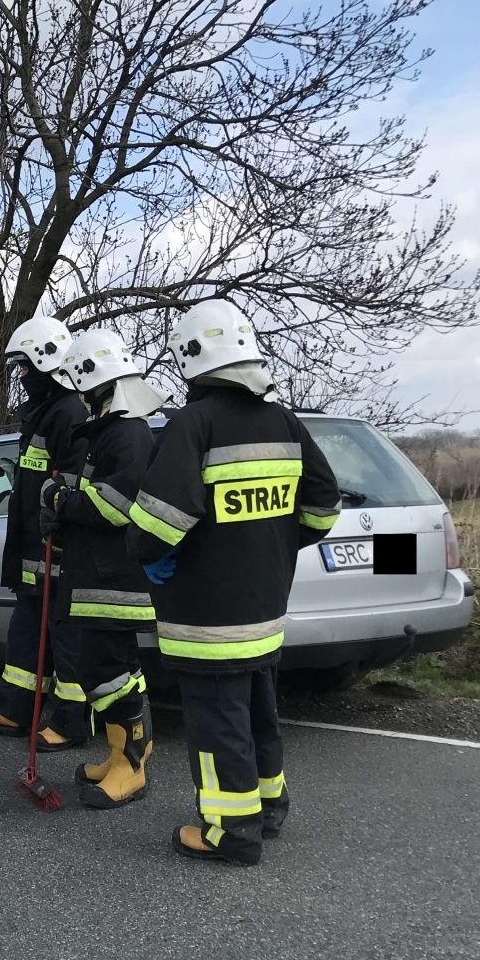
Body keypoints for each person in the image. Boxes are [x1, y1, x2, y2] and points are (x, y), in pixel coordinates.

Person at [125, 301, 341, 865]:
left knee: (218, 721)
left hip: (206, 614)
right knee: (257, 711)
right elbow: (323, 506)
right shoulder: (284, 421)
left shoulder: (195, 424)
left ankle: (231, 832)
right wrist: (270, 546)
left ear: (191, 359)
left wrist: (146, 556)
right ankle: (268, 809)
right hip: (264, 608)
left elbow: (156, 520)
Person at [42, 328, 166, 809]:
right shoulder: (115, 431)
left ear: (98, 383)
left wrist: (61, 499)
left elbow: (117, 504)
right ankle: (125, 752)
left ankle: (129, 765)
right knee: (117, 669)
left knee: (105, 670)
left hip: (114, 581)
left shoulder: (128, 434)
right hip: (100, 575)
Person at [0, 316, 91, 750]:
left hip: (56, 549)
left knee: (65, 637)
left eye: (26, 368)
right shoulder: (42, 414)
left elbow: (72, 483)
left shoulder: (70, 413)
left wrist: (57, 529)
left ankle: (70, 722)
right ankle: (15, 707)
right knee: (25, 630)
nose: (22, 377)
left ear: (46, 364)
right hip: (31, 548)